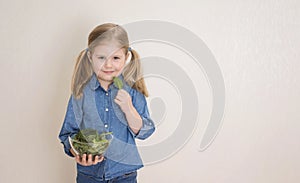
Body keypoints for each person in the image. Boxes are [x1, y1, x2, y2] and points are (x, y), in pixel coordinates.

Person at [58, 23, 155, 183]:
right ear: (90, 57)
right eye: (101, 57)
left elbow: (146, 131)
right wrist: (78, 153)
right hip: (89, 175)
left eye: (116, 58)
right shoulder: (81, 92)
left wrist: (128, 108)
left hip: (125, 175)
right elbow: (67, 134)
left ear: (126, 58)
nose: (108, 64)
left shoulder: (132, 90)